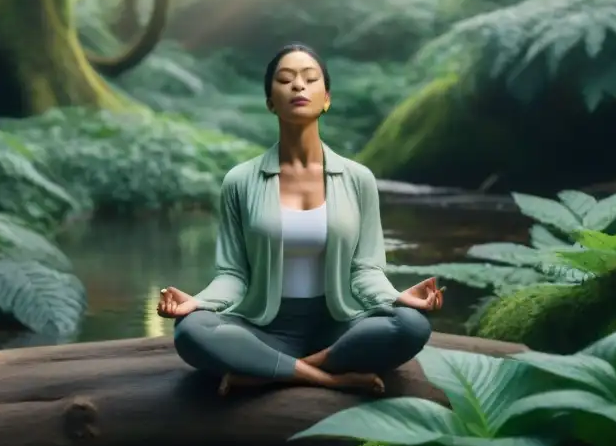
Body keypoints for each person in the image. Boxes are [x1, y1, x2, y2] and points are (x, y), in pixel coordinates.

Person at [158, 43, 444, 396]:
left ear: (326, 98)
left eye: (310, 79)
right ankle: (330, 378)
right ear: (269, 101)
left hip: (338, 327)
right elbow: (233, 276)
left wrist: (397, 299)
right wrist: (199, 303)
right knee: (191, 330)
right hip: (263, 327)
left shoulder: (358, 179)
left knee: (411, 325)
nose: (298, 86)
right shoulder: (240, 181)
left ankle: (265, 371)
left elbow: (365, 270)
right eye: (285, 79)